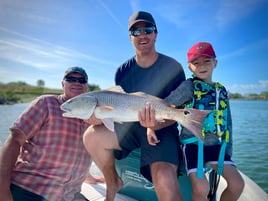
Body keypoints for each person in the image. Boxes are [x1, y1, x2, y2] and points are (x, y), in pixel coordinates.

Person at [83, 11, 191, 201]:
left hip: (162, 130)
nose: (142, 35)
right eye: (136, 31)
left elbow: (175, 108)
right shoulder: (122, 71)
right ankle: (113, 182)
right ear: (130, 37)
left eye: (147, 29)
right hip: (130, 127)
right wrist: (99, 117)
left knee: (165, 181)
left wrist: (154, 125)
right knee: (91, 136)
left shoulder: (173, 67)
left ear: (155, 34)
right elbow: (117, 109)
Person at [147, 42, 245, 201]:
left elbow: (228, 122)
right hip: (193, 146)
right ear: (190, 67)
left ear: (215, 63)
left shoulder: (222, 90)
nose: (202, 66)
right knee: (201, 187)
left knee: (237, 184)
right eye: (196, 63)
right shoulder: (188, 87)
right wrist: (151, 128)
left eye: (206, 61)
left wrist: (228, 149)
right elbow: (165, 104)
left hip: (217, 147)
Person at [0, 67, 102, 201]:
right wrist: (2, 190)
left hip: (69, 195)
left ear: (86, 86)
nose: (77, 82)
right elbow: (14, 140)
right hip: (29, 190)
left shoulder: (96, 114)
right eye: (71, 79)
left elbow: (78, 153)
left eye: (81, 80)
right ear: (62, 84)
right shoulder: (46, 103)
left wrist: (90, 177)